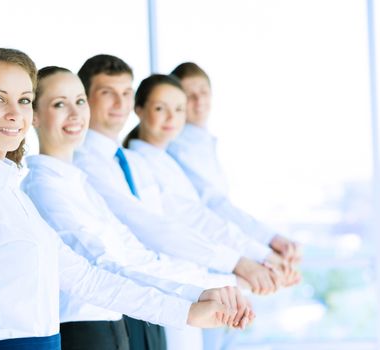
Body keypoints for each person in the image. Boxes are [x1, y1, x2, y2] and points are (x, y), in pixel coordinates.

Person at [0, 47, 235, 350]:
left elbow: (86, 278)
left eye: (23, 100)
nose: (14, 113)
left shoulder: (6, 192)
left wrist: (189, 310)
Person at [22, 66, 254, 350]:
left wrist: (210, 287)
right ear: (33, 115)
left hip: (117, 325)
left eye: (79, 101)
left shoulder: (79, 184)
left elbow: (137, 256)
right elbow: (103, 266)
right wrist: (191, 304)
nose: (75, 113)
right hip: (85, 332)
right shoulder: (43, 187)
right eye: (60, 104)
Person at [72, 55, 282, 350]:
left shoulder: (127, 161)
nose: (120, 104)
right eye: (107, 93)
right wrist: (235, 266)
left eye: (125, 93)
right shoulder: (87, 163)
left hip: (164, 290)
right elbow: (148, 229)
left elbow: (183, 220)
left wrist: (228, 274)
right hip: (127, 302)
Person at [167, 62, 302, 265]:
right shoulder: (180, 147)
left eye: (204, 91)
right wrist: (268, 239)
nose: (199, 100)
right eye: (190, 95)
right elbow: (214, 204)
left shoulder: (200, 140)